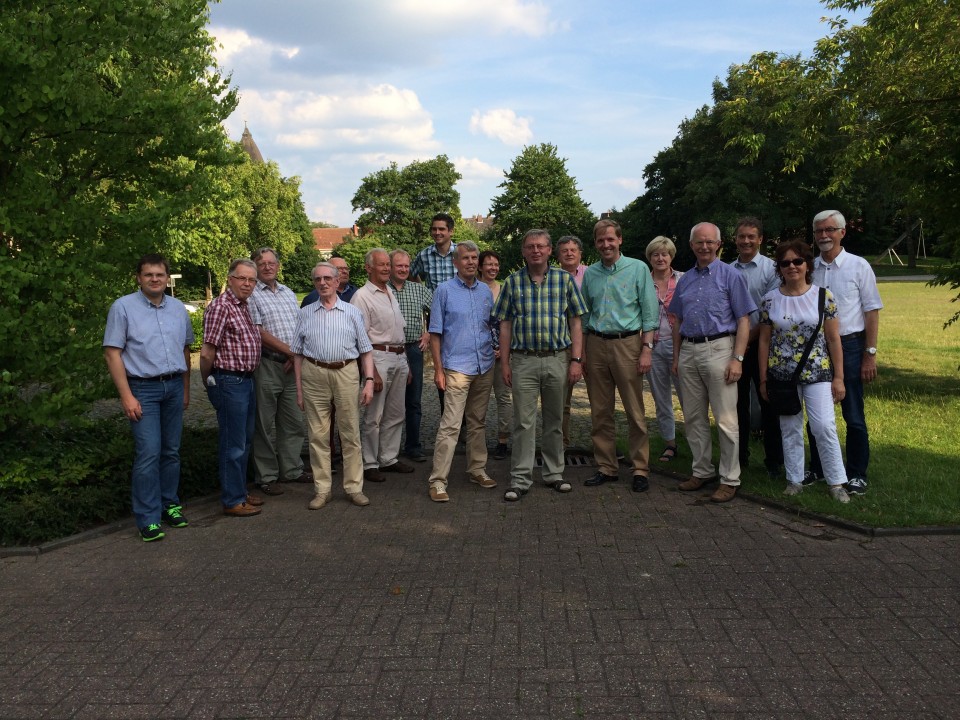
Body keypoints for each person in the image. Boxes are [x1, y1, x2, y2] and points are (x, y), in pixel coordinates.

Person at [103, 254, 194, 542]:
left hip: (173, 388)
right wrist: (126, 396)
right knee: (149, 453)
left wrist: (187, 389)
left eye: (159, 275)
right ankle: (148, 518)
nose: (154, 279)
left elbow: (184, 351)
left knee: (171, 451)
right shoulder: (123, 308)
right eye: (148, 275)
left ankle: (170, 505)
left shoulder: (178, 309)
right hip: (142, 389)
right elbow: (112, 353)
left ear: (167, 278)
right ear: (138, 278)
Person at [495, 230, 586, 501]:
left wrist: (576, 360)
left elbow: (576, 322)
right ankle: (520, 478)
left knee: (555, 419)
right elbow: (505, 324)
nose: (535, 250)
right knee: (523, 422)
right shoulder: (512, 282)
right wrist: (505, 362)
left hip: (558, 357)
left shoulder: (564, 280)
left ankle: (554, 474)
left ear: (549, 251)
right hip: (523, 360)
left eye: (541, 246)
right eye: (530, 246)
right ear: (523, 251)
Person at [668, 222, 755, 503]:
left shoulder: (731, 275)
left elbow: (744, 320)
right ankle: (701, 470)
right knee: (693, 417)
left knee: (726, 419)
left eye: (709, 242)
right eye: (698, 242)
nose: (704, 246)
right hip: (689, 350)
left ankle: (730, 478)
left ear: (719, 245)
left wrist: (737, 359)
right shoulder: (686, 279)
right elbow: (677, 320)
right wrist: (677, 357)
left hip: (720, 348)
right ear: (691, 245)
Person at [758, 240, 850, 503]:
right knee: (790, 429)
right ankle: (794, 479)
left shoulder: (823, 296)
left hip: (818, 372)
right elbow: (764, 341)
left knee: (823, 427)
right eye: (785, 263)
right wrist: (764, 378)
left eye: (797, 261)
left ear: (807, 264)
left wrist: (839, 377)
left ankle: (836, 482)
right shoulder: (769, 300)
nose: (792, 267)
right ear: (779, 268)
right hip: (782, 376)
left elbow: (833, 340)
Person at [579, 220, 658, 493]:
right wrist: (583, 352)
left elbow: (650, 313)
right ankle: (606, 467)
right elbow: (586, 315)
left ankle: (640, 468)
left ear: (620, 240)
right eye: (600, 240)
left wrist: (647, 348)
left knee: (635, 410)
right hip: (596, 344)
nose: (605, 244)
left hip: (628, 344)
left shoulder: (637, 268)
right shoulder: (590, 274)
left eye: (610, 239)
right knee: (600, 411)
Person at [808, 210, 882, 495]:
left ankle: (856, 473)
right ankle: (818, 467)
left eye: (829, 230)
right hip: (815, 348)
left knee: (852, 413)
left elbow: (871, 311)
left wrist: (870, 354)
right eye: (818, 231)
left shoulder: (858, 266)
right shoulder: (809, 268)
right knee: (816, 411)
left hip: (850, 345)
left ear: (842, 232)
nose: (823, 236)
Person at [291, 262, 375, 508]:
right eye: (318, 279)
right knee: (317, 435)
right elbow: (297, 354)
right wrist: (299, 389)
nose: (323, 283)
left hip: (346, 372)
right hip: (313, 373)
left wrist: (368, 381)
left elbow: (366, 351)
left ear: (337, 282)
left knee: (350, 432)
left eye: (328, 278)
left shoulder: (352, 312)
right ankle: (322, 489)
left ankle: (353, 487)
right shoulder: (305, 313)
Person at [426, 241, 497, 502]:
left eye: (474, 257)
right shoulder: (443, 291)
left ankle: (477, 469)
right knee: (451, 425)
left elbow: (491, 326)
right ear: (455, 262)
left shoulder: (485, 292)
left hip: (484, 365)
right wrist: (439, 369)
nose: (470, 262)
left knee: (478, 422)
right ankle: (437, 481)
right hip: (456, 367)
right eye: (465, 258)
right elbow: (435, 332)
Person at [200, 258, 263, 517]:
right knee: (233, 445)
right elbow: (206, 353)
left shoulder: (244, 306)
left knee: (245, 442)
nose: (247, 284)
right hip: (229, 381)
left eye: (251, 280)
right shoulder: (221, 307)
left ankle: (240, 491)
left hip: (245, 380)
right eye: (242, 278)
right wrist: (210, 382)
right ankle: (231, 500)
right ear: (230, 279)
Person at [248, 247, 310, 497]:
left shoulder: (287, 292)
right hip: (267, 364)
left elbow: (300, 326)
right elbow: (258, 332)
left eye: (271, 262)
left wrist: (296, 353)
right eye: (261, 263)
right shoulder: (251, 293)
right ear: (254, 267)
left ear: (278, 265)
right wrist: (291, 352)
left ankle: (292, 469)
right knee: (263, 424)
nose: (267, 266)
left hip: (291, 364)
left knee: (293, 421)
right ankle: (267, 475)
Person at [351, 248, 414, 483]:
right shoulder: (362, 296)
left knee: (396, 413)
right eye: (382, 264)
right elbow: (360, 337)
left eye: (388, 264)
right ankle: (369, 463)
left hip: (398, 357)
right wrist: (371, 372)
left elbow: (398, 331)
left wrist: (405, 361)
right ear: (369, 268)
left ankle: (389, 458)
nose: (387, 268)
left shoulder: (389, 292)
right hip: (377, 357)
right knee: (374, 415)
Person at [730, 217, 783, 476]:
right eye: (742, 236)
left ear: (760, 239)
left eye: (751, 236)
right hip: (735, 350)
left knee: (769, 402)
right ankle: (739, 459)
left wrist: (746, 340)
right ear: (735, 240)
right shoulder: (727, 270)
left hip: (765, 346)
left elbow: (770, 314)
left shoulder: (772, 270)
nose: (746, 241)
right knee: (737, 405)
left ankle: (774, 462)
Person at [389, 249, 433, 462]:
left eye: (407, 266)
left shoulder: (418, 289)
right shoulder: (381, 290)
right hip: (388, 351)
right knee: (389, 401)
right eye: (400, 266)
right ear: (390, 267)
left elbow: (439, 311)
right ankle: (388, 449)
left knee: (413, 401)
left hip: (414, 349)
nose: (404, 269)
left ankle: (413, 446)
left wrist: (429, 332)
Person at [645, 236, 684, 463]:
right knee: (661, 398)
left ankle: (699, 442)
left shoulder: (683, 279)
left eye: (664, 254)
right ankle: (670, 443)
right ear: (650, 257)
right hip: (653, 344)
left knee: (688, 396)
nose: (660, 258)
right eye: (655, 254)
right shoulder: (643, 280)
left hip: (680, 343)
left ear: (671, 256)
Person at [479, 249, 513, 460]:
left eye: (495, 264)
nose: (492, 268)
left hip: (502, 354)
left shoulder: (505, 289)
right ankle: (477, 440)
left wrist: (504, 349)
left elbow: (511, 322)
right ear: (481, 267)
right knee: (478, 400)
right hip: (479, 354)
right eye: (488, 264)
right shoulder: (474, 289)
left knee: (503, 398)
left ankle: (503, 440)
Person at [555, 235, 587, 448]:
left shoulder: (591, 274)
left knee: (601, 398)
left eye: (573, 249)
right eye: (564, 250)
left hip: (593, 339)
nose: (569, 253)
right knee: (562, 400)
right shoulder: (552, 276)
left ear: (580, 253)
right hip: (564, 343)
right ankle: (561, 443)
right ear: (557, 256)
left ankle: (606, 446)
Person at [411, 212, 458, 291]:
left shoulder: (461, 253)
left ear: (451, 231)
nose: (437, 232)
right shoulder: (424, 255)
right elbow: (411, 274)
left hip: (458, 302)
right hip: (433, 302)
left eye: (441, 229)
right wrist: (422, 291)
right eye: (434, 229)